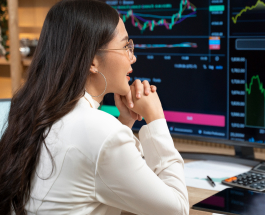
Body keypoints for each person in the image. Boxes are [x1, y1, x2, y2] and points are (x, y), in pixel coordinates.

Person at [0, 0, 189, 214]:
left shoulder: (36, 113)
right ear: (92, 61)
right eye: (125, 46)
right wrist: (155, 118)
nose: (132, 58)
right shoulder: (98, 130)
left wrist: (124, 122)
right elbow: (177, 209)